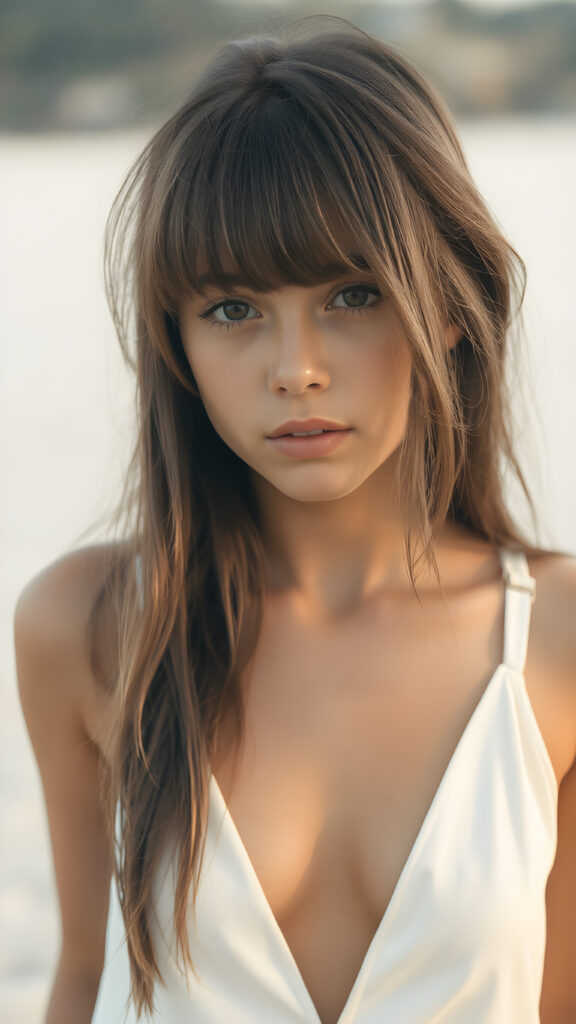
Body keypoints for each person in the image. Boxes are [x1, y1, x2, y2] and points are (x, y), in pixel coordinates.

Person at [13, 17, 576, 1024]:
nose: (295, 367)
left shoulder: (558, 639)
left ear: (445, 302)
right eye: (234, 309)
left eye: (351, 294)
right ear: (176, 341)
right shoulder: (91, 625)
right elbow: (81, 981)